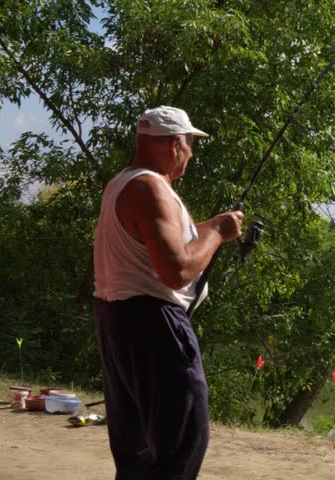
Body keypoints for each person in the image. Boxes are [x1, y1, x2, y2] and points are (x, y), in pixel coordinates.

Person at [93, 106, 243, 479]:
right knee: (182, 443)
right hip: (154, 325)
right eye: (191, 145)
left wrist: (207, 228)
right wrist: (218, 233)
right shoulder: (151, 188)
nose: (191, 154)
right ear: (175, 144)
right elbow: (176, 270)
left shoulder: (122, 182)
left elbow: (160, 247)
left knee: (138, 449)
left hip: (119, 319)